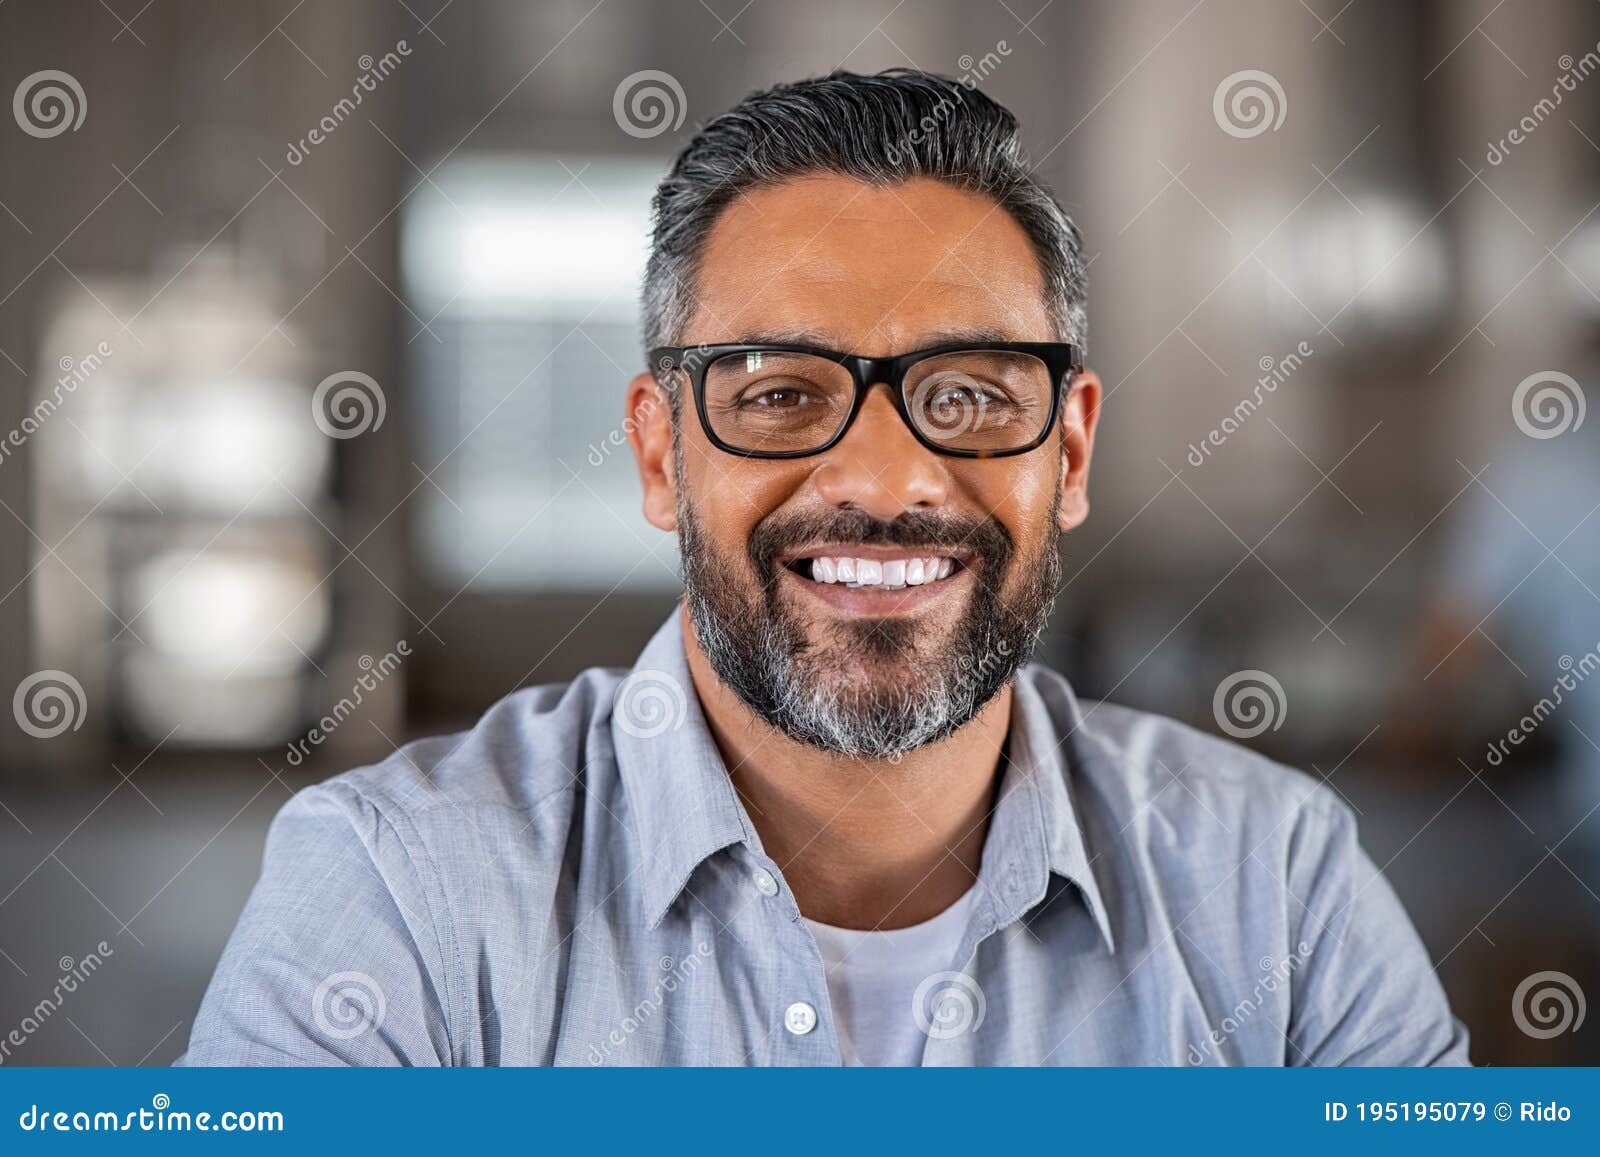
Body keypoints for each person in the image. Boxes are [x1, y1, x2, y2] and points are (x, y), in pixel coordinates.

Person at [179, 69, 1467, 1066]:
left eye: (966, 394)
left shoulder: (1279, 890)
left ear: (1067, 454)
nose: (884, 482)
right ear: (660, 453)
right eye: (783, 393)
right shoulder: (396, 890)